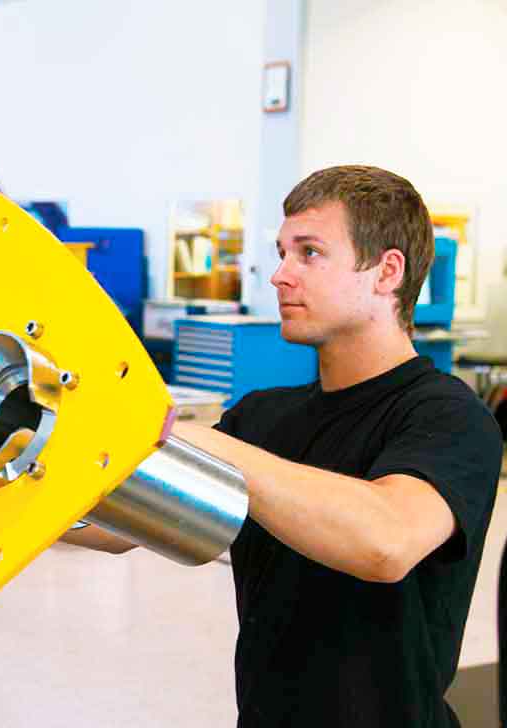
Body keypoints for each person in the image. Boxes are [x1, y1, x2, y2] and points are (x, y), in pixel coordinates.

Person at [66, 166, 503, 727]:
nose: (279, 276)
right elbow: (117, 524)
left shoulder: (448, 416)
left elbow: (385, 543)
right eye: (282, 252)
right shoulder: (263, 416)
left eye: (310, 253)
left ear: (386, 272)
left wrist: (207, 444)